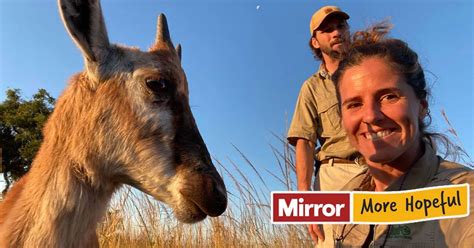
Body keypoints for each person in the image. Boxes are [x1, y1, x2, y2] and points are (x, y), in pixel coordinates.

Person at [331, 23, 474, 247]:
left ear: (422, 106)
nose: (370, 116)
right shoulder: (347, 196)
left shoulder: (464, 195)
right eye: (354, 104)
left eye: (388, 97)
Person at [287, 5, 366, 246]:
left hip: (379, 169)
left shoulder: (369, 71)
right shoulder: (311, 88)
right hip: (337, 175)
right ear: (315, 42)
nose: (336, 33)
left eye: (340, 26)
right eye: (327, 30)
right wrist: (304, 195)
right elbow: (305, 141)